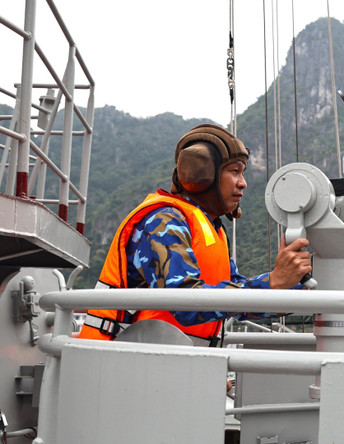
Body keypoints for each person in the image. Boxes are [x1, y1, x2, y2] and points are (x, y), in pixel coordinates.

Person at [79, 123, 312, 346]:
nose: (243, 183)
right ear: (203, 175)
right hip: (120, 363)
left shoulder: (213, 229)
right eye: (234, 171)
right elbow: (185, 302)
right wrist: (272, 282)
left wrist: (293, 287)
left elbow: (238, 293)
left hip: (168, 363)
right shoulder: (164, 221)